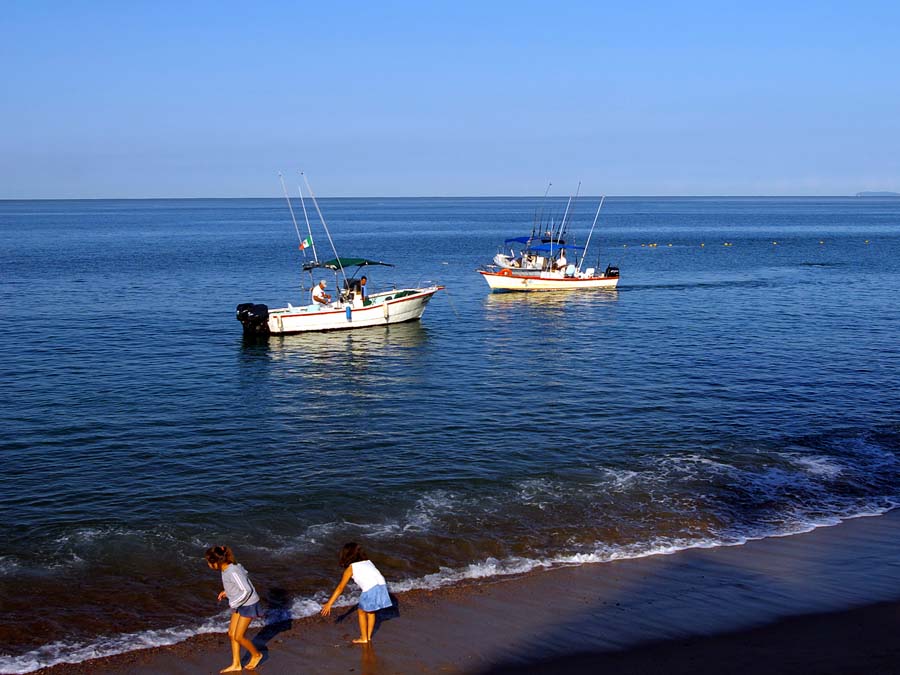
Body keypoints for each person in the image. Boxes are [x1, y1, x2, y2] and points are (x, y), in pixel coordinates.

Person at [205, 545, 263, 673]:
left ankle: (256, 655)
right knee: (231, 634)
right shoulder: (227, 567)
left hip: (248, 604)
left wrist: (234, 602)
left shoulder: (232, 570)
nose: (208, 565)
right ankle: (236, 663)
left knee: (239, 636)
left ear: (216, 562)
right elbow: (244, 574)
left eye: (209, 562)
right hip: (239, 603)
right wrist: (227, 591)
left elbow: (246, 589)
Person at [320, 542, 392, 644]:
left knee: (361, 612)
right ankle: (368, 637)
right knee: (371, 612)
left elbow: (340, 587)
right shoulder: (368, 562)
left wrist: (329, 604)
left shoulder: (351, 568)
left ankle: (364, 638)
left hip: (370, 588)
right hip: (382, 585)